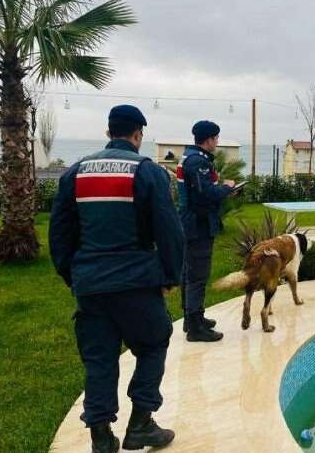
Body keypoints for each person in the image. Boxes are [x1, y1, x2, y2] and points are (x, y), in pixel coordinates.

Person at [49, 105, 184, 453]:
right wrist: (170, 274)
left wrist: (72, 275)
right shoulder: (148, 172)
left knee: (99, 358)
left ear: (108, 133)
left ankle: (101, 437)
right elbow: (169, 230)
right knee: (153, 344)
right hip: (137, 283)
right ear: (138, 135)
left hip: (91, 286)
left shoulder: (75, 172)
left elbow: (59, 233)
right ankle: (141, 425)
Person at [178, 120, 235, 342]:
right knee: (197, 276)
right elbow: (205, 195)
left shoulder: (189, 157)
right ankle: (195, 328)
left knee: (190, 273)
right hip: (198, 225)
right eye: (216, 138)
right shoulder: (198, 161)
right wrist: (226, 188)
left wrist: (222, 190)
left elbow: (201, 191)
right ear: (209, 139)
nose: (217, 142)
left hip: (192, 223)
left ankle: (193, 318)